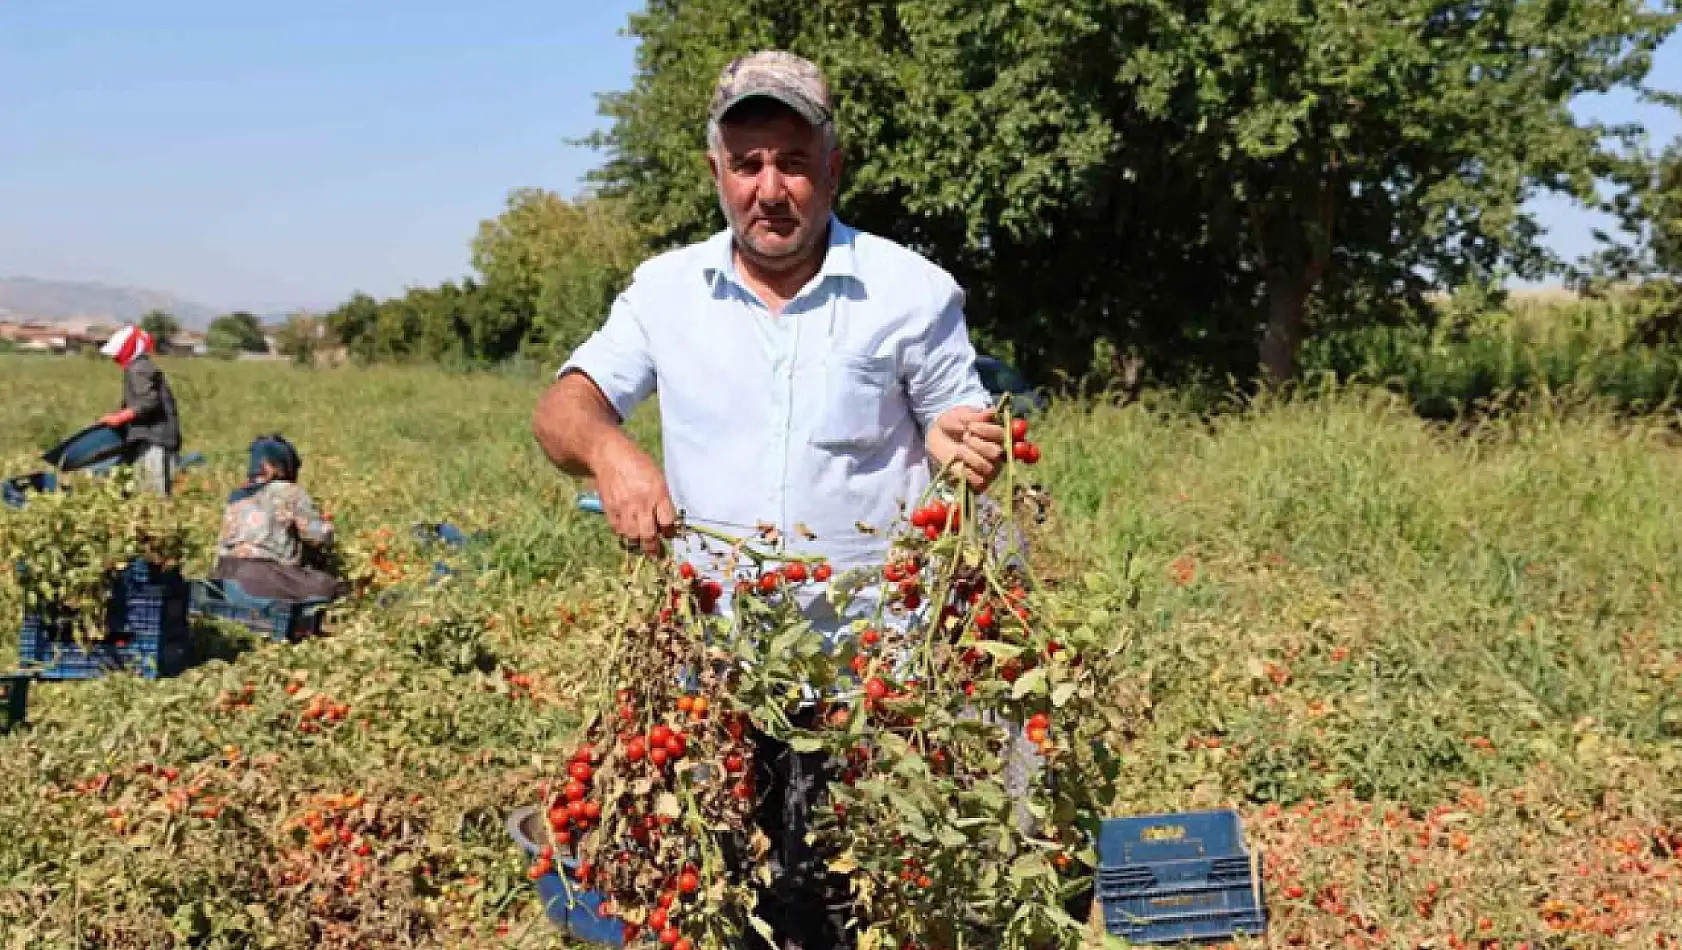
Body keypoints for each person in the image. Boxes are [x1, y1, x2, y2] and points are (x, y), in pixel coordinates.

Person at [531, 50, 1009, 950]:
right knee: (720, 903)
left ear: (832, 168)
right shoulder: (666, 292)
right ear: (717, 171)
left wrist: (960, 443)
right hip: (712, 676)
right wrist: (611, 453)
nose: (771, 188)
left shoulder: (912, 293)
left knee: (863, 908)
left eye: (792, 161)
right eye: (747, 163)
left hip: (871, 683)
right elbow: (564, 406)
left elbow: (959, 422)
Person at [210, 434, 346, 602]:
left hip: (224, 573)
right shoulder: (290, 492)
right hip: (263, 574)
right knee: (328, 586)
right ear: (278, 466)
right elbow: (317, 536)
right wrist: (327, 527)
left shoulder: (236, 495)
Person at [97, 325, 182, 496]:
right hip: (153, 436)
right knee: (143, 488)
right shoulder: (139, 367)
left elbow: (149, 401)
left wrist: (119, 418)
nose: (114, 359)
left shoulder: (139, 368)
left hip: (155, 438)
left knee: (153, 492)